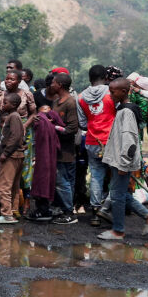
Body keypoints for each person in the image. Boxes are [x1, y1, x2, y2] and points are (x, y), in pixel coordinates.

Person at [99, 78, 148, 241]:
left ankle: (118, 230)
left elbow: (130, 141)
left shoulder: (126, 112)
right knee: (121, 193)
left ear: (124, 92)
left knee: (118, 196)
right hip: (118, 160)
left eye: (113, 92)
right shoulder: (123, 109)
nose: (110, 95)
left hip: (122, 162)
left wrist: (124, 164)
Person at [78, 64, 116, 226]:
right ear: (106, 78)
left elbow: (82, 124)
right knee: (116, 177)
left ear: (89, 78)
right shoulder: (111, 93)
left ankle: (94, 212)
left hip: (92, 141)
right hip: (111, 141)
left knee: (96, 176)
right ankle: (107, 208)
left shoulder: (80, 97)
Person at [49, 73, 80, 224]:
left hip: (66, 151)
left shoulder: (70, 103)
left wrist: (53, 127)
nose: (51, 85)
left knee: (63, 182)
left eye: (53, 83)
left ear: (60, 85)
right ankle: (62, 208)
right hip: (57, 149)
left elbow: (73, 128)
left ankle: (69, 213)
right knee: (62, 181)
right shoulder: (57, 101)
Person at [0, 92, 25, 224]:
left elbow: (16, 137)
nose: (2, 104)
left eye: (5, 102)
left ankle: (6, 214)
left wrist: (5, 153)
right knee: (14, 186)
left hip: (12, 156)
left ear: (14, 105)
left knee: (3, 185)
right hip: (16, 154)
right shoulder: (14, 116)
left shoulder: (13, 117)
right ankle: (13, 211)